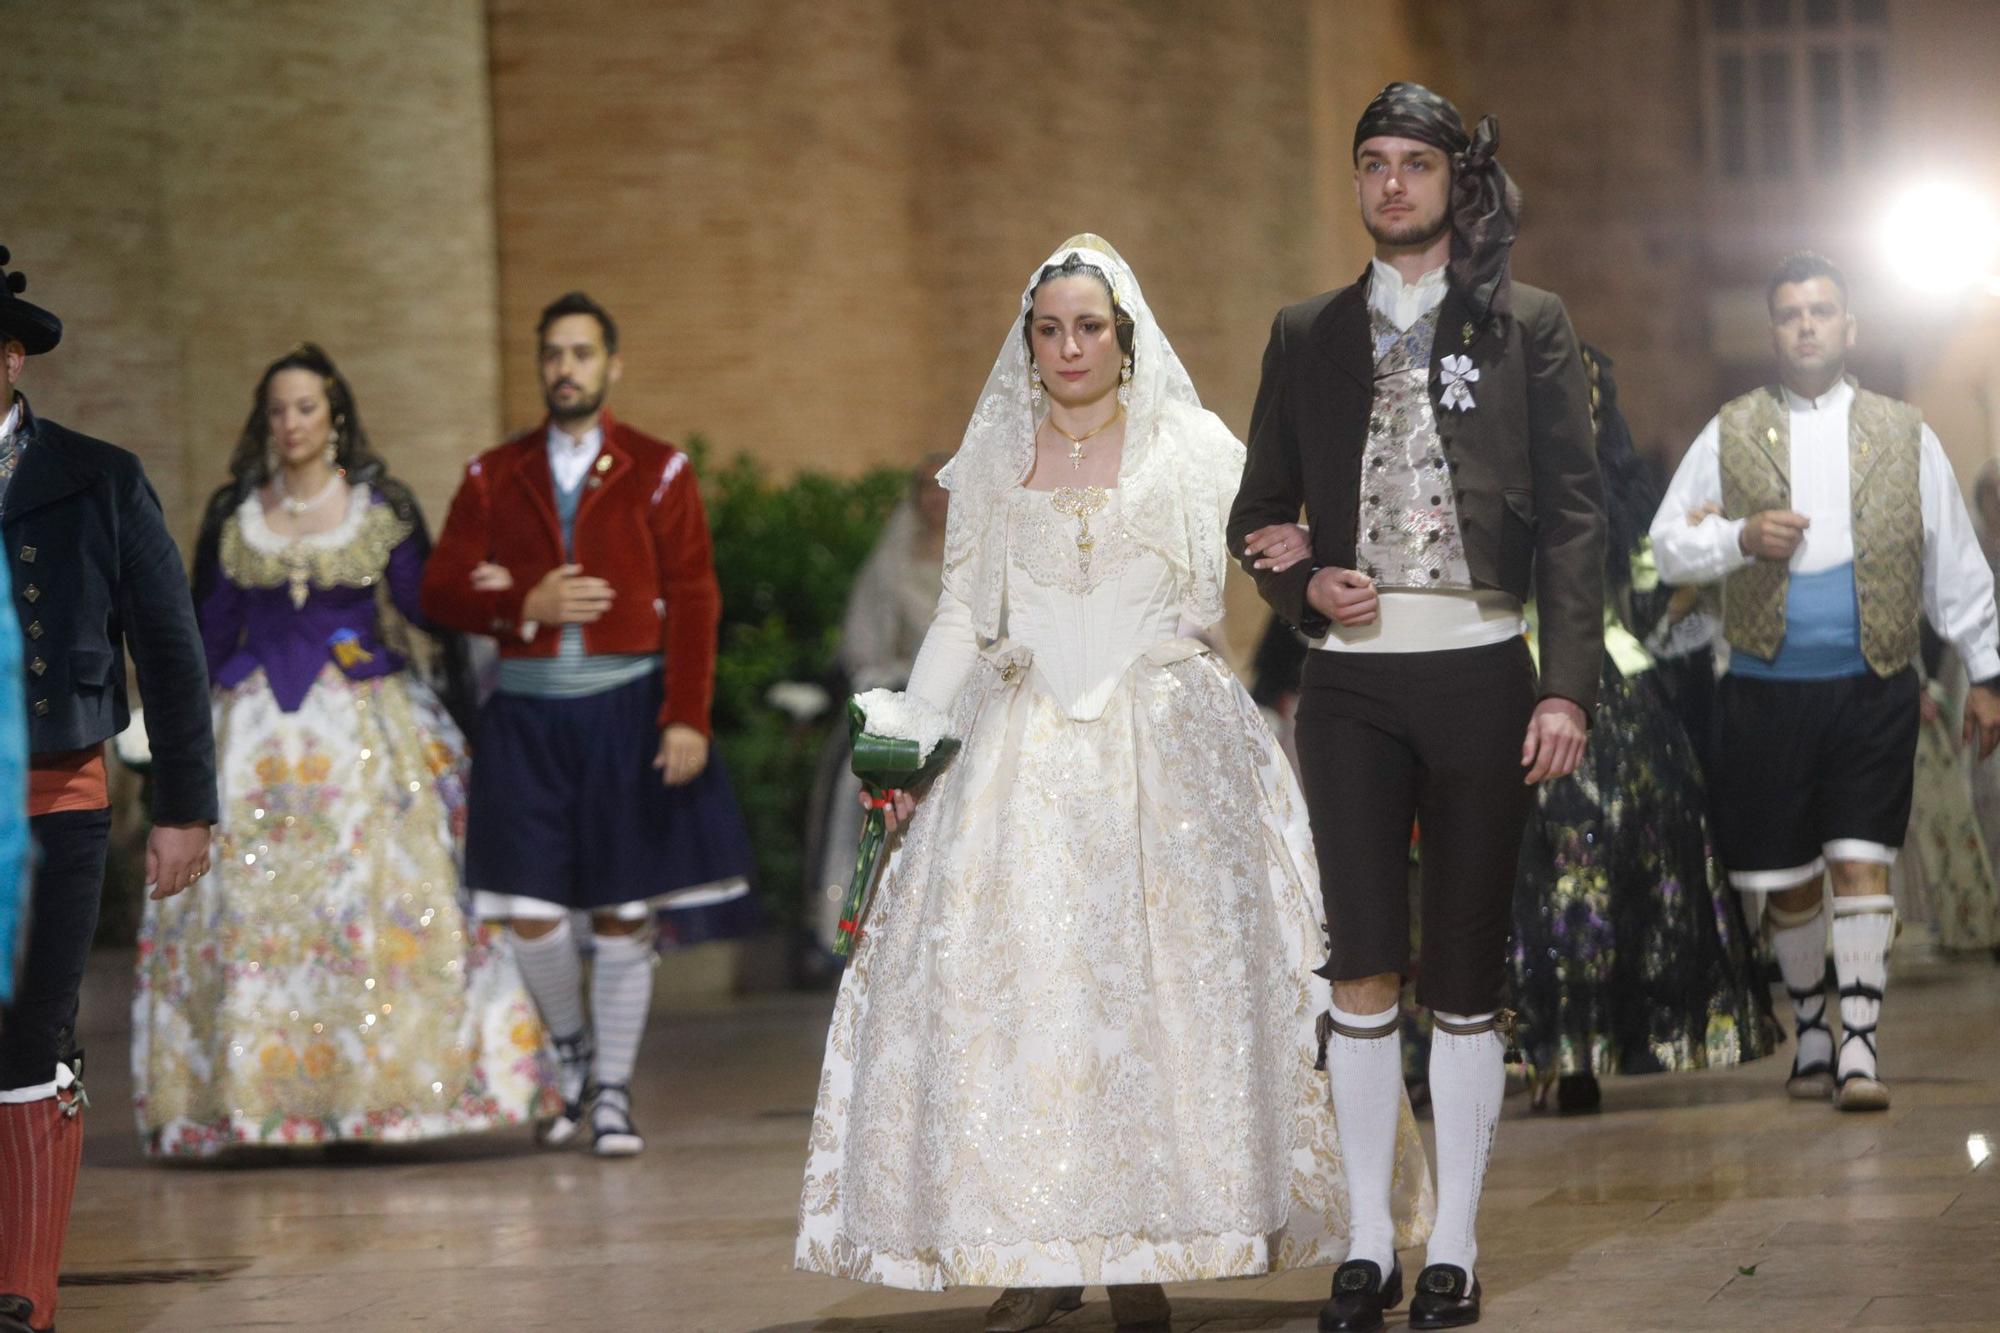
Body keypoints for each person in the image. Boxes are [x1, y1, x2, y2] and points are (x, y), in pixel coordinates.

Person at [795, 236, 1431, 1333]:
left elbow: (1276, 544)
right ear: (1028, 341)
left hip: (1168, 742)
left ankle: (1152, 1244)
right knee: (1025, 993)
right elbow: (958, 614)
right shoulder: (993, 455)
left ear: (1123, 334)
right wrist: (912, 735)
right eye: (1048, 329)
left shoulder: (1190, 448)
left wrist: (1342, 595)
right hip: (1020, 744)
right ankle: (1036, 1248)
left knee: (1165, 992)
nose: (1067, 346)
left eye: (1088, 326)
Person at [1230, 84, 1604, 1330]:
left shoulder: (1525, 324)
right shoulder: (1304, 331)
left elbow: (1571, 515)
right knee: (1358, 967)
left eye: (1414, 165)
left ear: (1453, 182)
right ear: (1354, 183)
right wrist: (1302, 581)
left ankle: (1450, 1241)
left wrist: (1563, 686)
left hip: (1482, 673)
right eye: (1372, 164)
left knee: (1462, 968)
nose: (1391, 184)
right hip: (1346, 687)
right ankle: (1362, 1244)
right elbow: (1256, 515)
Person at [130, 343, 553, 1157]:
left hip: (365, 729)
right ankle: (254, 1099)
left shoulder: (377, 507)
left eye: (306, 408)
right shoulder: (235, 512)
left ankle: (377, 1091)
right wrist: (174, 741)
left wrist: (499, 593)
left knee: (372, 901)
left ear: (336, 417)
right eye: (279, 409)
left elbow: (426, 603)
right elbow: (205, 634)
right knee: (248, 913)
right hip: (252, 737)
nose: (291, 423)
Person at [1650, 251, 2000, 1114]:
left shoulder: (1905, 431)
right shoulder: (1728, 428)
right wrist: (1738, 538)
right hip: (1763, 691)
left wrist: (1988, 670)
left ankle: (1859, 1050)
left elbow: (1954, 565)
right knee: (1784, 878)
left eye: (1822, 310)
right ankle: (1811, 1026)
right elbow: (1664, 545)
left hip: (1871, 683)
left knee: (1859, 859)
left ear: (1851, 327)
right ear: (1774, 330)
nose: (1806, 324)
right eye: (1791, 312)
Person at [421, 292, 753, 1157]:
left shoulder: (659, 468)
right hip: (526, 714)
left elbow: (694, 598)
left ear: (612, 365)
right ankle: (571, 1053)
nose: (564, 368)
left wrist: (685, 716)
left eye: (581, 353)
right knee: (528, 908)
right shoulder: (495, 473)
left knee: (620, 909)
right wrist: (521, 603)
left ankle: (609, 1090)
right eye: (552, 354)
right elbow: (438, 588)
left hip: (625, 710)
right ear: (541, 368)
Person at [0, 243, 216, 1333]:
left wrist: (183, 806)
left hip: (51, 801)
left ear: (9, 356)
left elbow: (170, 655)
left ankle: (24, 1293)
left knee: (29, 1035)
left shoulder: (99, 477)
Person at [1509, 347, 1777, 1113]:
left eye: (1588, 398)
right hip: (1517, 684)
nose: (1575, 410)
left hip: (1618, 695)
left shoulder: (1629, 495)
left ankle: (1602, 1042)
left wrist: (1698, 556)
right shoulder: (1498, 485)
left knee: (1629, 851)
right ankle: (1550, 1048)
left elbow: (1655, 615)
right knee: (1539, 867)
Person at [803, 456, 949, 959]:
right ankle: (862, 922)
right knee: (868, 794)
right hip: (907, 699)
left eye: (943, 486)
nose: (935, 498)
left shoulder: (982, 552)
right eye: (924, 487)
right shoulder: (894, 561)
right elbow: (867, 642)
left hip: (971, 701)